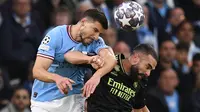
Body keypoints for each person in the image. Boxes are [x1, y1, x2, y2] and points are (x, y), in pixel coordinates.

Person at [31, 9, 116, 112]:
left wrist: (96, 76)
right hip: (44, 101)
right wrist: (57, 78)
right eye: (95, 30)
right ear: (84, 22)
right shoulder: (56, 35)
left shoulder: (95, 42)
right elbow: (37, 71)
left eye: (99, 33)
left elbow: (111, 59)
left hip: (73, 99)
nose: (96, 36)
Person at [72, 44, 158, 112]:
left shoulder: (141, 79)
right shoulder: (108, 61)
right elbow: (71, 54)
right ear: (135, 58)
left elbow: (139, 107)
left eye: (151, 70)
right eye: (148, 67)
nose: (148, 73)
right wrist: (90, 60)